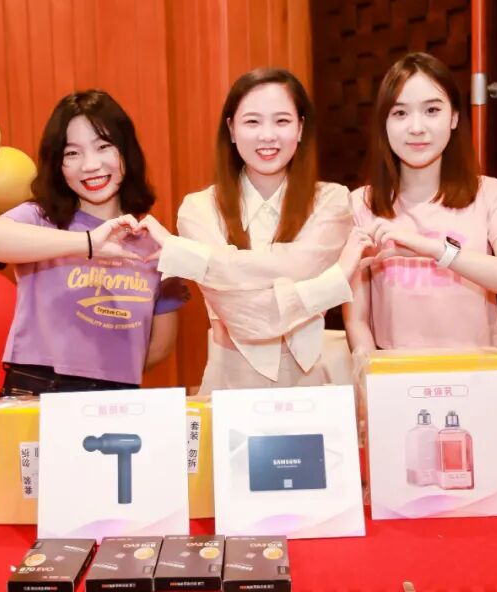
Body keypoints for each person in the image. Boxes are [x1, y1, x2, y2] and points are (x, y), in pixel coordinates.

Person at [137, 68, 372, 391]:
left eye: (282, 120)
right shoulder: (198, 209)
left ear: (300, 128)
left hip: (311, 386)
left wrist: (196, 259)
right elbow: (246, 319)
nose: (267, 135)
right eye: (252, 122)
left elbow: (294, 271)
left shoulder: (331, 202)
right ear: (231, 129)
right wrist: (333, 281)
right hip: (228, 385)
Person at [0, 89, 188, 395]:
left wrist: (105, 382)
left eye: (103, 146)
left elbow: (161, 345)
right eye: (72, 153)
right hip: (39, 388)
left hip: (116, 395)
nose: (90, 165)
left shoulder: (154, 241)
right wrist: (87, 243)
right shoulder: (41, 219)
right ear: (58, 164)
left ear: (127, 152)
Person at [344, 52, 497, 358]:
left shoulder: (490, 194)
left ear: (454, 117)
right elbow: (356, 320)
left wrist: (435, 250)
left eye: (432, 110)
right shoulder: (361, 204)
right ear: (385, 123)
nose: (416, 127)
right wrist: (372, 375)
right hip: (396, 373)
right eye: (400, 113)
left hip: (479, 371)